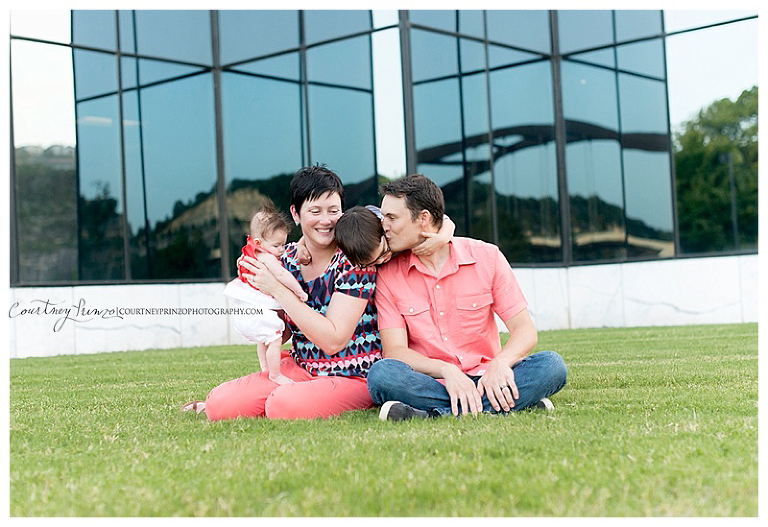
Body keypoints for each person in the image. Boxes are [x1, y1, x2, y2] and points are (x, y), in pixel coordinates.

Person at [182, 165, 382, 420]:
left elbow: (334, 341)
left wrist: (277, 289)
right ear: (295, 214)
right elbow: (283, 329)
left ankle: (318, 398)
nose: (326, 220)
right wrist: (256, 292)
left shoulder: (355, 259)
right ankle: (296, 394)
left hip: (352, 373)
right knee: (220, 405)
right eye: (315, 211)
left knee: (282, 405)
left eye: (333, 211)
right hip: (303, 366)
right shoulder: (283, 258)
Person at [366, 174, 567, 421]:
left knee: (552, 366)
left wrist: (501, 363)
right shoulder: (388, 275)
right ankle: (501, 406)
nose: (383, 225)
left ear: (423, 219)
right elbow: (395, 351)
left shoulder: (487, 256)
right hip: (433, 381)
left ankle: (432, 413)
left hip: (488, 377)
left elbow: (525, 330)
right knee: (382, 375)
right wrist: (446, 370)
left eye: (392, 218)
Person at [222, 200, 308, 385]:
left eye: (283, 245)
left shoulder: (249, 254)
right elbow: (282, 274)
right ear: (260, 242)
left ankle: (265, 368)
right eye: (277, 245)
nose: (281, 250)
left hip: (246, 313)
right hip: (257, 313)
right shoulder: (266, 257)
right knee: (275, 339)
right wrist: (299, 292)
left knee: (265, 339)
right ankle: (275, 374)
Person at [334, 205, 455, 269]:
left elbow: (439, 218)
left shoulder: (387, 223)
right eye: (372, 263)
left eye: (384, 252)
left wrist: (442, 237)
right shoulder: (349, 237)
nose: (382, 260)